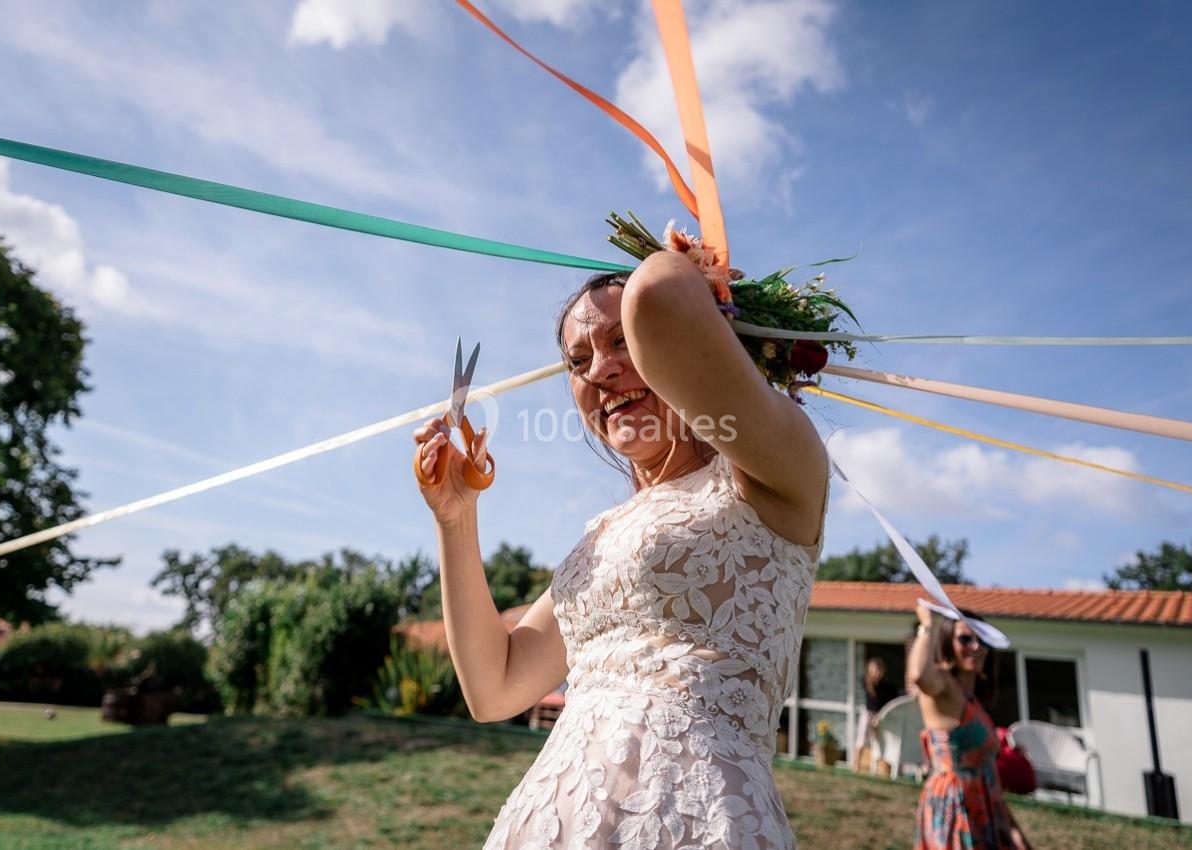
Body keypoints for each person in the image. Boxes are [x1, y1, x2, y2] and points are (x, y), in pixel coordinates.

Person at [413, 251, 830, 849]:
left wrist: (687, 274)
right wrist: (456, 518)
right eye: (578, 361)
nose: (599, 372)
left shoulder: (773, 472)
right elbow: (493, 687)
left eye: (621, 341)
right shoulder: (601, 537)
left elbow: (659, 293)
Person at [909, 604, 1031, 850]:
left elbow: (988, 774)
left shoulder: (973, 700)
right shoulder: (943, 686)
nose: (976, 647)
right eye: (965, 639)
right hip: (955, 808)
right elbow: (920, 675)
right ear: (947, 643)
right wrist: (927, 625)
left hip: (985, 807)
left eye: (981, 640)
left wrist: (1012, 828)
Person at [854, 656, 899, 769]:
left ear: (883, 671)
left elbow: (892, 700)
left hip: (881, 716)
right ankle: (856, 765)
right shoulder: (867, 683)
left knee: (880, 741)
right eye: (872, 670)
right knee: (861, 740)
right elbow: (872, 700)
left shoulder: (888, 687)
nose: (875, 673)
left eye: (877, 670)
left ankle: (881, 767)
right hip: (868, 714)